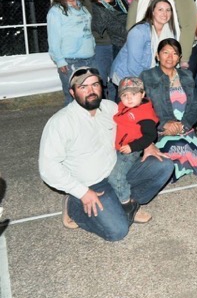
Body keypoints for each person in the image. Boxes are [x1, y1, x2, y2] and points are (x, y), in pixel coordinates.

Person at [39, 68, 174, 241]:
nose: (91, 91)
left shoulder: (111, 108)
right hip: (91, 186)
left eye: (95, 84)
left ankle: (128, 203)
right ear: (72, 92)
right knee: (117, 231)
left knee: (164, 165)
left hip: (117, 172)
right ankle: (73, 205)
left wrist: (148, 144)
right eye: (83, 87)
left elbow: (136, 124)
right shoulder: (60, 122)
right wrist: (81, 192)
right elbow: (47, 168)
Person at [142, 38, 197, 180]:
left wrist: (184, 125)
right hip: (161, 131)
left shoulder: (187, 75)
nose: (170, 57)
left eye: (174, 53)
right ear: (157, 55)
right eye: (165, 52)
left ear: (179, 58)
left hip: (184, 128)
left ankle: (178, 157)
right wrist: (163, 125)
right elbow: (144, 109)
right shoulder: (147, 76)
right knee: (177, 148)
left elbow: (196, 105)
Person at [127, 0, 197, 67]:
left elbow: (188, 27)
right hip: (146, 52)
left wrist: (183, 58)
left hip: (177, 51)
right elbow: (131, 27)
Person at [110, 76, 160, 221]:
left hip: (130, 150)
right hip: (118, 146)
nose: (129, 98)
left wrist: (132, 147)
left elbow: (150, 135)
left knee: (116, 177)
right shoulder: (122, 106)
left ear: (142, 94)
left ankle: (127, 206)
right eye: (125, 95)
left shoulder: (144, 113)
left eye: (134, 94)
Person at [48, 0, 95, 105]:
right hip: (70, 60)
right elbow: (53, 39)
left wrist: (93, 45)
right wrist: (60, 60)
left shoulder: (82, 7)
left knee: (89, 96)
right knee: (74, 98)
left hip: (89, 57)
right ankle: (69, 125)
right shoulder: (56, 12)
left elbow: (88, 30)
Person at [111, 0, 177, 84]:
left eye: (168, 10)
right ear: (152, 12)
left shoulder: (169, 32)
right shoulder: (139, 32)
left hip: (148, 76)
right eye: (160, 10)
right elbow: (133, 67)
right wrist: (152, 83)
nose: (165, 13)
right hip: (127, 79)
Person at [88, 0, 128, 100]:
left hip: (132, 43)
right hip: (120, 46)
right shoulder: (97, 6)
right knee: (120, 84)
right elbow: (100, 28)